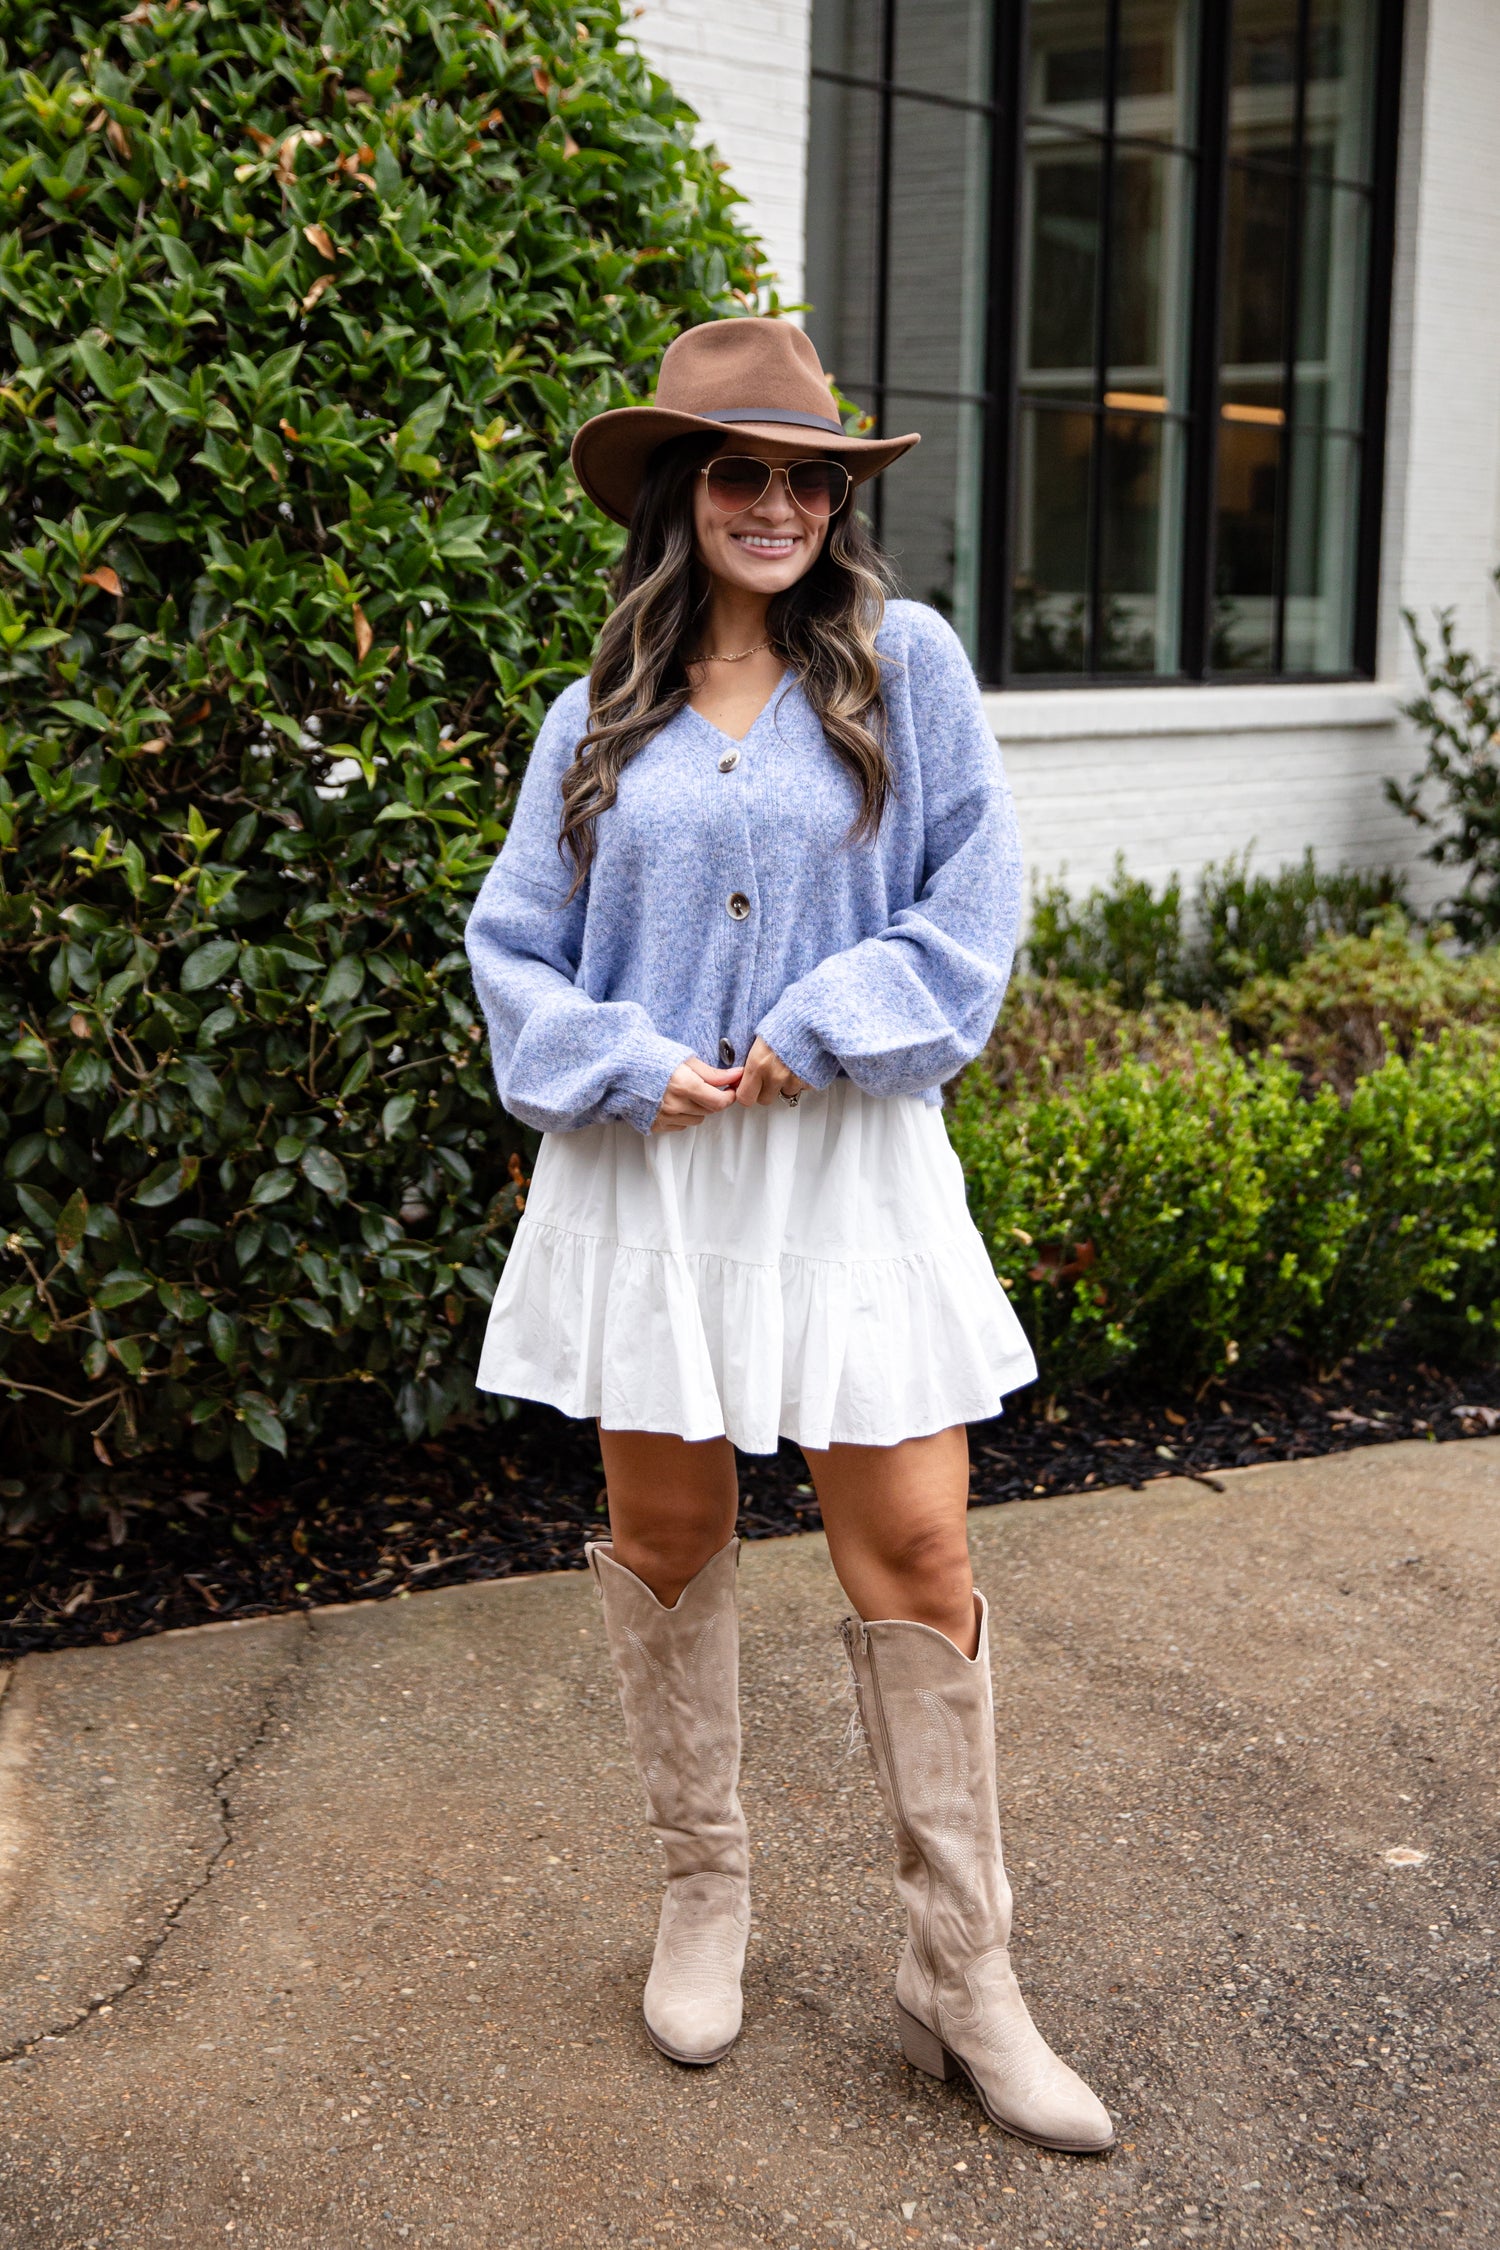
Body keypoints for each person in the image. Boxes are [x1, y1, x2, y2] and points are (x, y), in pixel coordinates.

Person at [464, 317, 1115, 2153]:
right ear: (682, 495)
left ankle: (960, 1971)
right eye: (740, 472)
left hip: (844, 1163)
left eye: (807, 476)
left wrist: (818, 1024)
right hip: (651, 1175)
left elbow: (974, 899)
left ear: (840, 502)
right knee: (665, 1530)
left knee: (911, 1537)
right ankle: (703, 1890)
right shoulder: (598, 720)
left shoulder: (906, 666)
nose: (775, 502)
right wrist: (613, 1054)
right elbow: (512, 939)